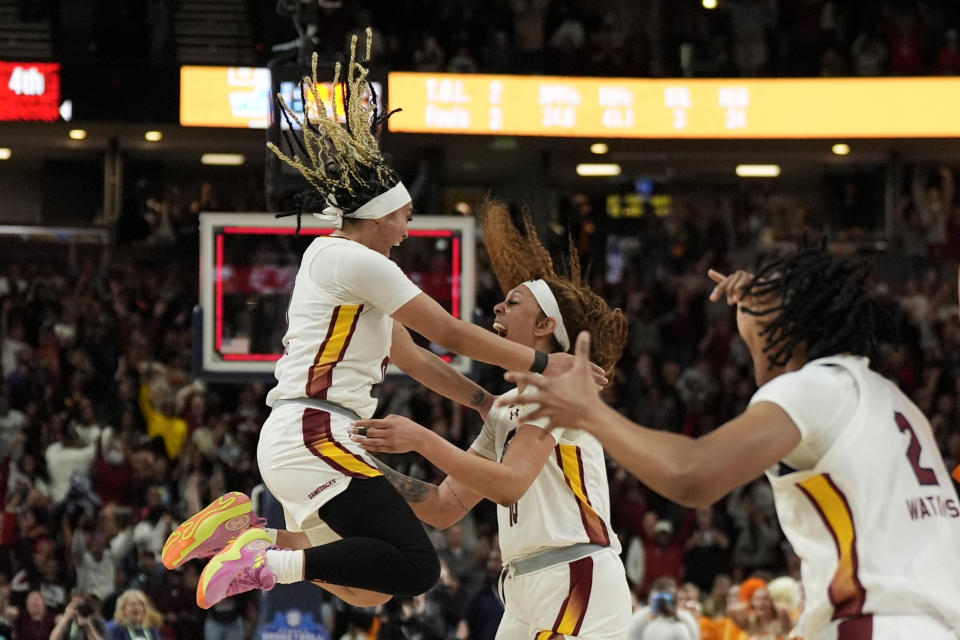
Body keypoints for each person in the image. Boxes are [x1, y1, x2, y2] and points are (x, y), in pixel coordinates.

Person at [160, 31, 601, 612]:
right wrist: (548, 362)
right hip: (316, 433)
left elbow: (415, 358)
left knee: (366, 591)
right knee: (418, 567)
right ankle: (264, 558)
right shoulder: (359, 259)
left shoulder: (338, 259)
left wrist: (478, 403)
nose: (407, 229)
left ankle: (255, 536)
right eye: (405, 217)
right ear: (378, 215)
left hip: (308, 435)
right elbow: (447, 333)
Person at [503, 244, 960, 639]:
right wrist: (759, 302)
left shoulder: (816, 387)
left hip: (877, 623)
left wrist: (590, 411)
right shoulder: (893, 403)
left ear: (788, 322)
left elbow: (692, 475)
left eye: (762, 302)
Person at [349, 200, 632, 639]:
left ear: (544, 324)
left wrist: (422, 440)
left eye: (512, 302)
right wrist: (356, 466)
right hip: (523, 587)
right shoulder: (505, 410)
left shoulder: (558, 392)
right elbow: (444, 508)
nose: (497, 309)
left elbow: (509, 484)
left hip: (575, 576)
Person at [628, 577, 700, 640]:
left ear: (675, 601)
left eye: (667, 601)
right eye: (656, 601)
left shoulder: (686, 621)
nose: (662, 606)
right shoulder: (638, 618)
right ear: (649, 599)